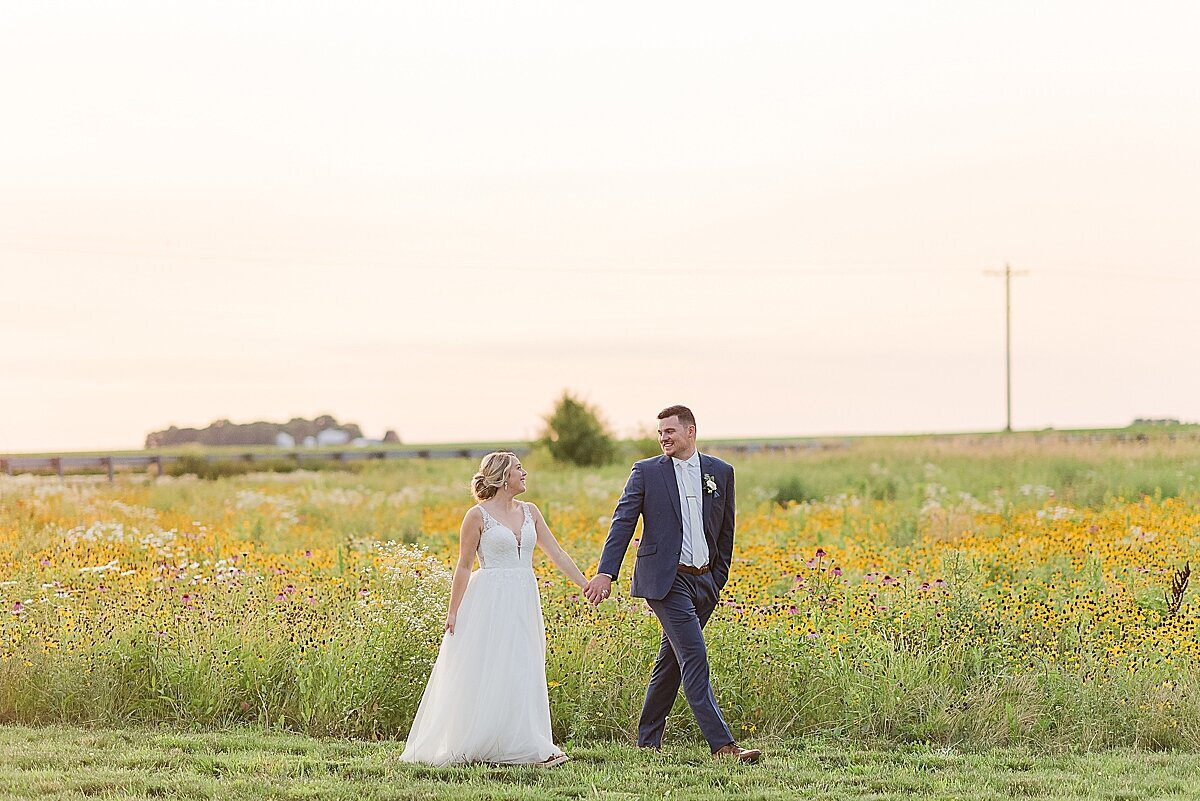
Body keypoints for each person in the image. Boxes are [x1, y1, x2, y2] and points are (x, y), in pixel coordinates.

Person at [584, 405, 761, 763]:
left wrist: (718, 577)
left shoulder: (720, 472)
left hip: (705, 581)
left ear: (690, 432)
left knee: (672, 662)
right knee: (694, 656)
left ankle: (647, 740)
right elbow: (623, 522)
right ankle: (723, 746)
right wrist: (606, 572)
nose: (664, 438)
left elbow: (726, 528)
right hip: (665, 582)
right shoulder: (646, 472)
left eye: (670, 431)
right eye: (660, 432)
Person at [400, 451, 589, 767]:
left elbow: (556, 552)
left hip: (523, 596)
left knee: (523, 665)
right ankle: (483, 740)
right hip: (489, 598)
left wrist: (585, 584)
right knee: (491, 666)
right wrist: (453, 611)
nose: (524, 473)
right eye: (519, 468)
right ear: (503, 477)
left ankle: (523, 742)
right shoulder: (477, 516)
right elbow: (463, 566)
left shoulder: (531, 512)